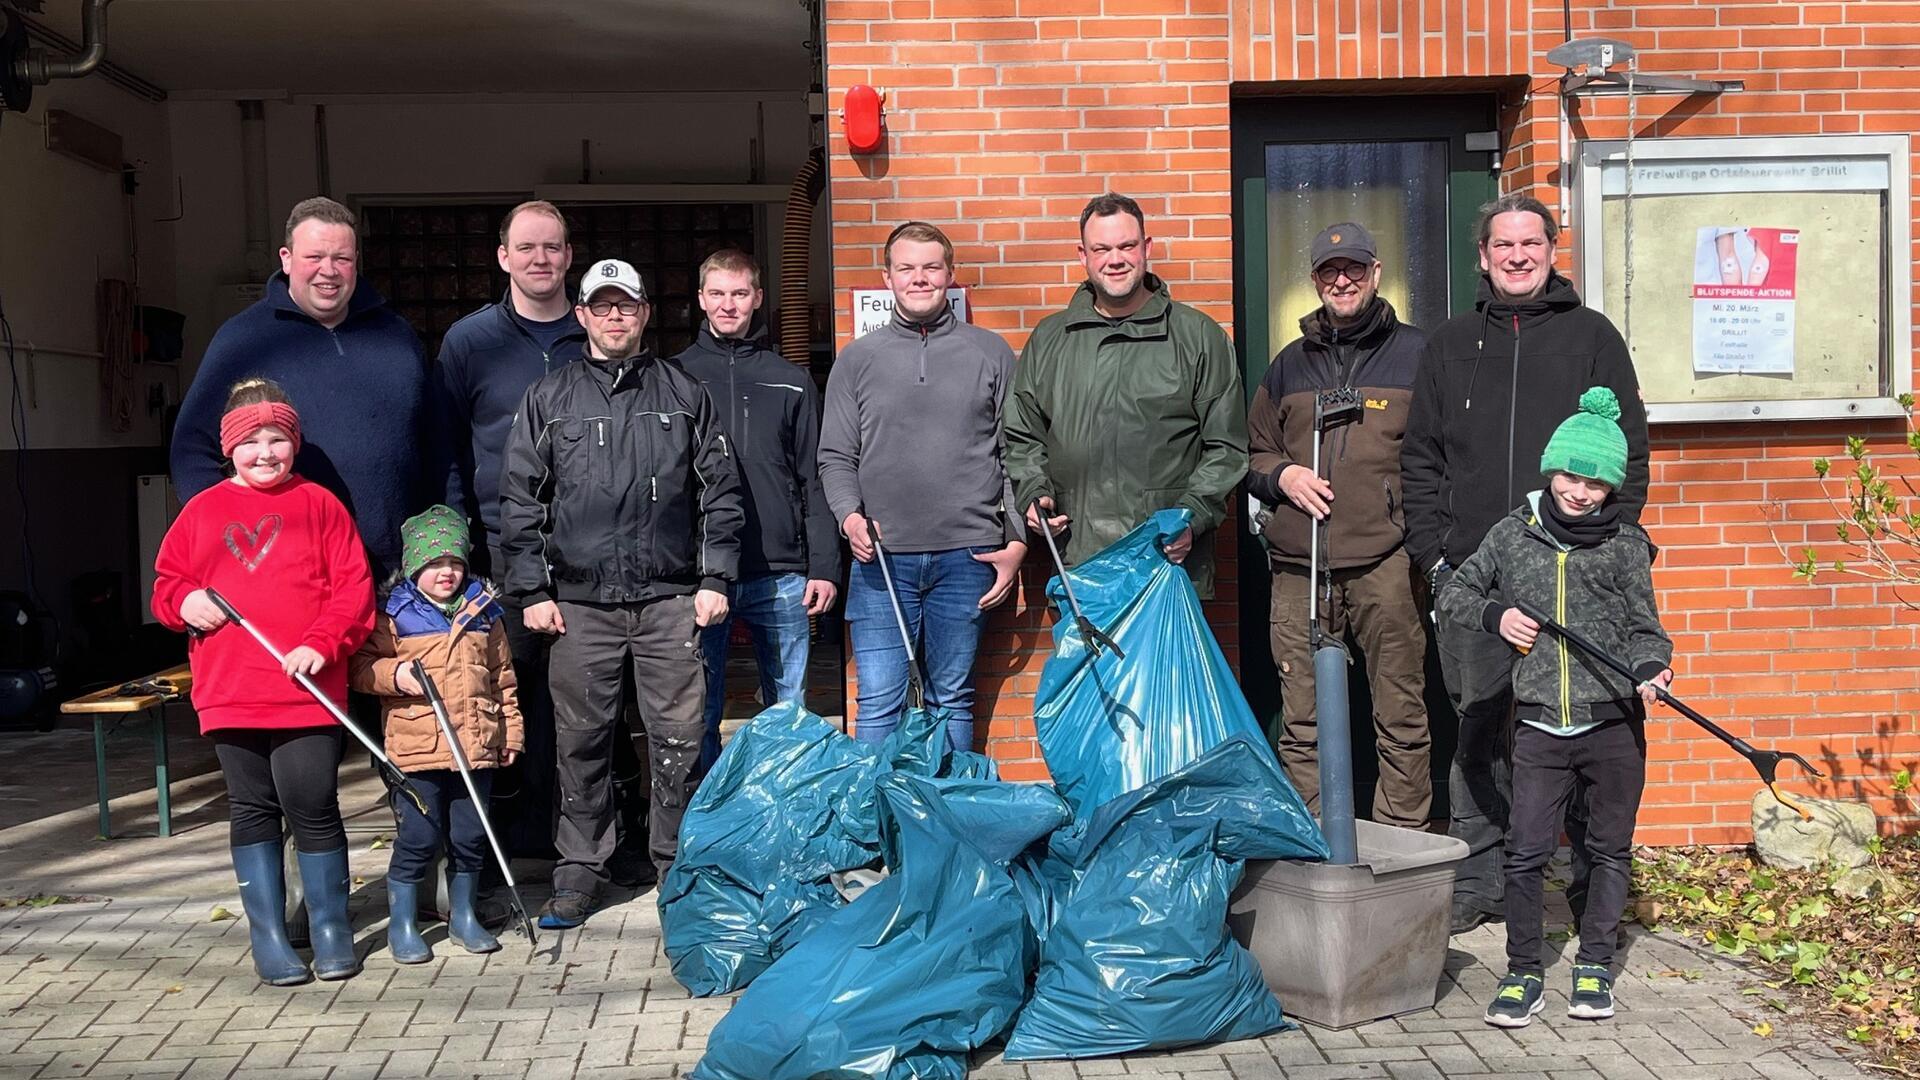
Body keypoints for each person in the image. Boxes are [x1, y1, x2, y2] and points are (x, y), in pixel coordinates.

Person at [1400, 193, 1650, 933]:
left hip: (1576, 581)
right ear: (1483, 256)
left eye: (1530, 244)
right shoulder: (1449, 344)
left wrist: (1607, 552)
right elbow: (1420, 461)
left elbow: (1629, 458)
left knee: (1577, 732)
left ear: (1550, 250)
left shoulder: (1592, 337)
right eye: (1502, 245)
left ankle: (1582, 892)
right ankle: (1480, 884)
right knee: (1476, 732)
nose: (1517, 256)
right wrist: (1438, 561)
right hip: (1478, 583)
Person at [498, 258, 743, 930]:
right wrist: (532, 591)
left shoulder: (684, 392)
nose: (614, 317)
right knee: (580, 743)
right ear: (580, 316)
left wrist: (715, 579)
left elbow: (719, 496)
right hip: (579, 605)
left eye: (625, 306)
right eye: (601, 306)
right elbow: (520, 503)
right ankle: (579, 872)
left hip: (669, 601)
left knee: (679, 741)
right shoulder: (549, 399)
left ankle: (677, 868)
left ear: (644, 314)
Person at [1436, 387, 1672, 1027]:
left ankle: (1594, 965)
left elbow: (1647, 630)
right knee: (1526, 850)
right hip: (1538, 723)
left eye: (1596, 482)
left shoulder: (1625, 545)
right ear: (1552, 469)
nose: (1580, 491)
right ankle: (1522, 971)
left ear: (1611, 488)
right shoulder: (1513, 536)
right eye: (1571, 474)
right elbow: (1454, 592)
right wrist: (1498, 614)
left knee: (1607, 849)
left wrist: (1653, 668)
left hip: (1613, 725)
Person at [151, 378, 375, 985]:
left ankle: (330, 927)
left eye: (278, 439)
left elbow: (354, 591)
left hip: (309, 689)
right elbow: (168, 583)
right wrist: (185, 601)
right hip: (231, 688)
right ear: (229, 449)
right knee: (252, 808)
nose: (266, 453)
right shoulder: (202, 512)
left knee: (313, 804)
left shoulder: (320, 505)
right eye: (251, 442)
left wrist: (318, 644)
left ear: (294, 444)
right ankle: (269, 936)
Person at [1246, 222, 1430, 827]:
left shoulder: (1417, 355)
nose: (1342, 280)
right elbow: (1251, 454)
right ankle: (1315, 844)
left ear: (1377, 274)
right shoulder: (1289, 365)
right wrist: (1284, 478)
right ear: (1316, 281)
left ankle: (1401, 841)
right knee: (1302, 720)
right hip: (1301, 566)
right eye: (1330, 271)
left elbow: (1441, 456)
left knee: (1400, 714)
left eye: (1353, 269)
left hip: (1387, 563)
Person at [818, 221, 1026, 752]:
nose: (919, 278)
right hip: (881, 560)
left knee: (952, 698)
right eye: (906, 268)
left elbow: (1017, 456)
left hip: (968, 557)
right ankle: (874, 826)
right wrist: (848, 516)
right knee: (880, 701)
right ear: (887, 276)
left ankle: (949, 823)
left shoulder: (992, 353)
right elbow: (836, 456)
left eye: (931, 267)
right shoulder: (856, 361)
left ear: (949, 275)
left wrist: (1017, 542)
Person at [171, 197, 433, 580]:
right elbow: (192, 447)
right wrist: (227, 536)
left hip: (402, 576)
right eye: (314, 257)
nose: (328, 271)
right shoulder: (244, 340)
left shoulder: (397, 336)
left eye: (341, 259)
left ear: (356, 260)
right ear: (286, 258)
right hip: (292, 579)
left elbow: (437, 444)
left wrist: (448, 531)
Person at [1004, 191, 1247, 599]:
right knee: (1087, 667)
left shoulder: (1197, 337)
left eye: (1126, 246)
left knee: (1166, 668)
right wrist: (1034, 492)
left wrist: (1190, 516)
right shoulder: (1049, 340)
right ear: (1083, 255)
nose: (1114, 259)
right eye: (1101, 248)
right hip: (1079, 562)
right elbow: (1024, 436)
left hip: (1167, 562)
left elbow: (1226, 447)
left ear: (1146, 248)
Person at [435, 200, 584, 861]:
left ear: (569, 256)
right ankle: (505, 848)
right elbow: (444, 446)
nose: (540, 259)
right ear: (503, 257)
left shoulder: (595, 332)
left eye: (551, 247)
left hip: (588, 554)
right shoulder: (469, 343)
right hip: (500, 550)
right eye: (526, 248)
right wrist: (456, 542)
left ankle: (578, 841)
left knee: (582, 703)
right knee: (505, 697)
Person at [673, 249, 839, 773]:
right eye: (718, 293)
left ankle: (784, 814)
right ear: (701, 299)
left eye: (740, 293)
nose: (728, 305)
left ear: (758, 299)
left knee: (789, 710)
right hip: (700, 577)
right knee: (697, 707)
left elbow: (816, 477)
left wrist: (824, 567)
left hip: (781, 572)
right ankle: (706, 816)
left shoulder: (790, 379)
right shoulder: (674, 377)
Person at [350, 506, 523, 963]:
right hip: (416, 748)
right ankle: (403, 924)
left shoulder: (484, 612)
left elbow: (502, 676)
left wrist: (511, 733)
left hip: (476, 745)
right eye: (434, 563)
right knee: (420, 837)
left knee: (470, 833)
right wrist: (394, 674)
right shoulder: (394, 615)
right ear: (414, 567)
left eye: (455, 562)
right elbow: (361, 669)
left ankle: (464, 915)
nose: (446, 572)